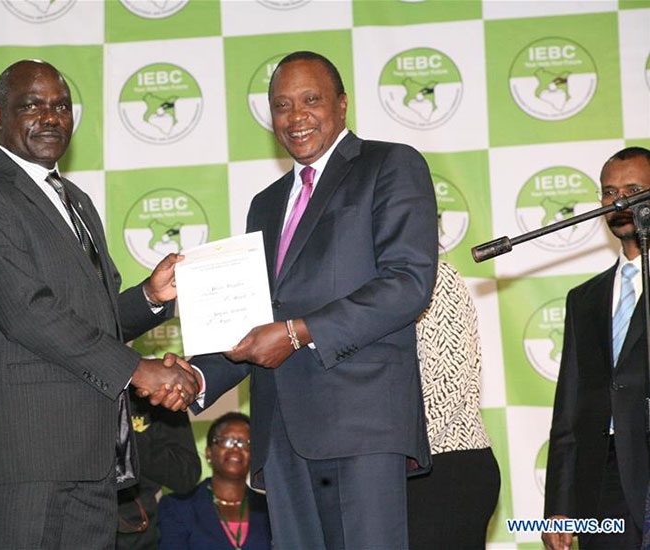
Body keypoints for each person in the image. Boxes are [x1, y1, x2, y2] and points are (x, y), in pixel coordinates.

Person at [180, 51, 438, 549]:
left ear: (342, 105)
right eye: (281, 105)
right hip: (281, 436)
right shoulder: (266, 202)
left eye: (310, 100)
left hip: (361, 424)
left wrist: (299, 332)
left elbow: (407, 282)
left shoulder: (390, 164)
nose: (295, 116)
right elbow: (257, 318)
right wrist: (197, 376)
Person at [0, 59, 197, 549]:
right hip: (26, 457)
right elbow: (27, 310)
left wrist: (150, 296)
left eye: (61, 106)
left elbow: (93, 322)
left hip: (94, 457)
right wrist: (137, 370)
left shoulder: (76, 200)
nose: (51, 116)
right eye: (32, 105)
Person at [543, 147, 650, 549]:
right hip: (601, 480)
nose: (618, 200)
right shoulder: (584, 299)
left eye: (634, 188)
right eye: (609, 192)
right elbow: (569, 409)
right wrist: (559, 505)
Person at [407, 260, 501, 549]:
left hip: (445, 465)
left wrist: (383, 456)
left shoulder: (434, 276)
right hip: (401, 468)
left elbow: (448, 382)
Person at [157, 412, 272, 549]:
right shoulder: (176, 507)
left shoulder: (269, 509)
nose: (235, 448)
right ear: (209, 452)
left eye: (244, 443)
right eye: (226, 441)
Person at [117, 387, 202, 550]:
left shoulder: (155, 392)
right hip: (71, 521)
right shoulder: (64, 385)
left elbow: (187, 475)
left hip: (135, 528)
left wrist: (129, 438)